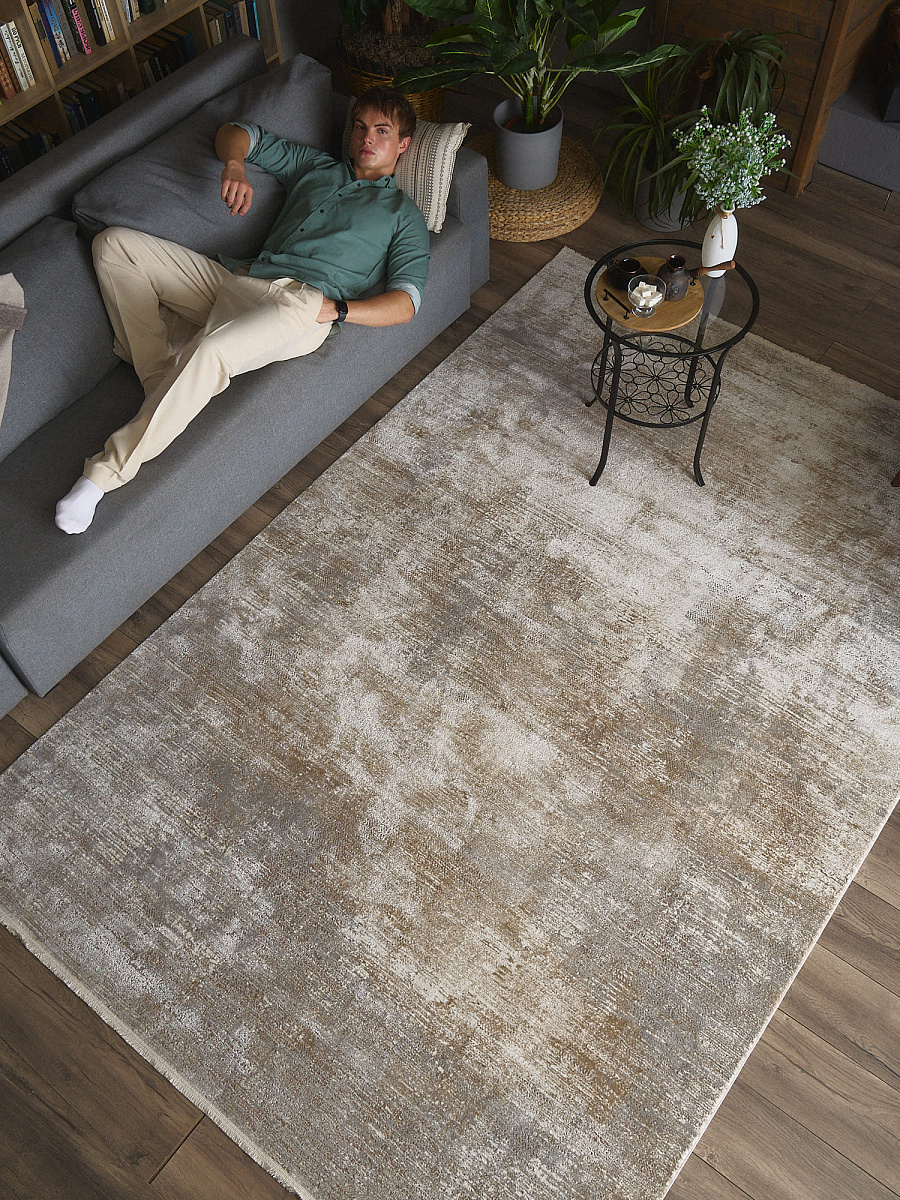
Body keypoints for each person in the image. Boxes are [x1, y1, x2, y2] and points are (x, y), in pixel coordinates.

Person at [55, 87, 430, 534]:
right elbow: (237, 132)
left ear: (403, 144)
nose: (367, 138)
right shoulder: (315, 166)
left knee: (211, 350)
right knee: (114, 244)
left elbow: (406, 303)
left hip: (301, 306)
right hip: (239, 278)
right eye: (361, 127)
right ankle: (161, 381)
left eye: (382, 131)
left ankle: (102, 476)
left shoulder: (403, 215)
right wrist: (235, 165)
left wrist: (341, 310)